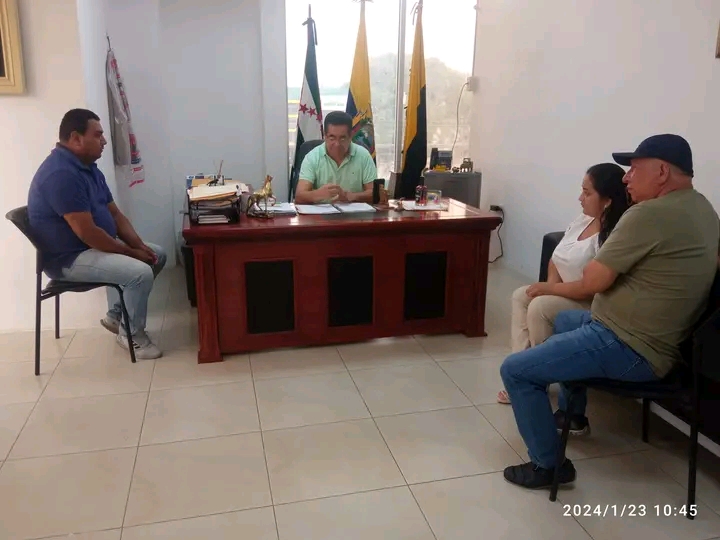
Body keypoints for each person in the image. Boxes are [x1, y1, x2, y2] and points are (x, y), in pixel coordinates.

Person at [500, 134, 719, 490]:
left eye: (634, 169)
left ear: (662, 172)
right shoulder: (704, 209)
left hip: (627, 344)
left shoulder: (648, 214)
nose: (626, 178)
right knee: (564, 319)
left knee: (516, 370)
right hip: (653, 339)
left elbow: (593, 279)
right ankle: (571, 414)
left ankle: (549, 465)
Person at [27, 109, 166, 359]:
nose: (104, 141)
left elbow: (116, 215)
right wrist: (131, 253)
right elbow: (88, 233)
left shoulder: (89, 168)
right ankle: (132, 337)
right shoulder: (61, 174)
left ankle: (118, 316)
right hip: (69, 259)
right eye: (98, 135)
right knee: (139, 273)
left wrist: (139, 246)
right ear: (76, 138)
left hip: (91, 248)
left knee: (156, 255)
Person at [497, 163, 630, 405]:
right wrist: (550, 285)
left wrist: (549, 290)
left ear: (608, 201)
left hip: (590, 301)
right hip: (564, 291)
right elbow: (557, 256)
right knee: (521, 295)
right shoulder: (583, 220)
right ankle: (521, 368)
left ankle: (539, 377)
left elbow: (590, 287)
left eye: (587, 193)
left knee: (540, 306)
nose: (580, 198)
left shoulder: (614, 235)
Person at [294, 111, 377, 204]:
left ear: (350, 136)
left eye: (342, 138)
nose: (337, 144)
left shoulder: (363, 155)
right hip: (322, 212)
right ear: (325, 136)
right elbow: (299, 197)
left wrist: (351, 196)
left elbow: (375, 194)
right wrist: (318, 194)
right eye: (332, 138)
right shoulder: (312, 157)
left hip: (355, 212)